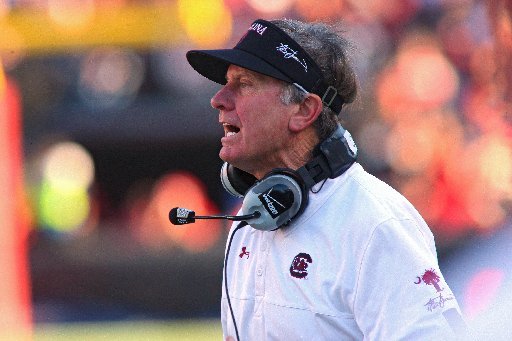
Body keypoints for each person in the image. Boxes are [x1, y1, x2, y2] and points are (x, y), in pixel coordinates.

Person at [186, 18, 467, 340]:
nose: (219, 99)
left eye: (245, 83)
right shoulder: (253, 218)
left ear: (304, 111)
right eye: (226, 82)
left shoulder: (377, 226)